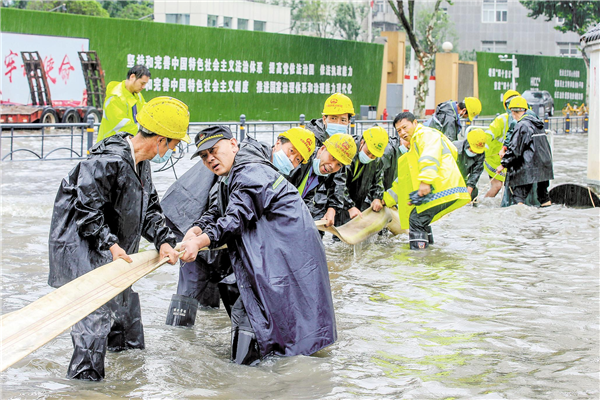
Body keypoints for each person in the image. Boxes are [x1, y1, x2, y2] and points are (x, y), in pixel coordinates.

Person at [48, 96, 189, 381]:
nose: (173, 151)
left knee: (126, 323)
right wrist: (110, 244)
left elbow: (149, 208)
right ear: (160, 140)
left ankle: (128, 383)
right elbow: (86, 209)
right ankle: (85, 388)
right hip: (84, 252)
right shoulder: (108, 160)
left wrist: (163, 240)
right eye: (174, 145)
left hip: (115, 254)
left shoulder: (141, 163)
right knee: (94, 325)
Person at [179, 126, 336, 365]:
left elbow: (235, 217)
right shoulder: (235, 172)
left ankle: (249, 378)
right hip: (273, 256)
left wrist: (200, 241)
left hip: (288, 256)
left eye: (214, 150)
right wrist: (198, 228)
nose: (210, 158)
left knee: (262, 318)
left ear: (233, 144)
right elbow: (218, 208)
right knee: (271, 321)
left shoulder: (251, 170)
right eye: (204, 155)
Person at [161, 126, 315, 326]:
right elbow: (225, 211)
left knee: (210, 298)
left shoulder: (252, 163)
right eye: (291, 151)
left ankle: (193, 334)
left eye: (298, 159)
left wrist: (200, 233)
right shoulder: (250, 166)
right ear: (278, 143)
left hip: (212, 235)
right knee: (190, 291)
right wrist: (198, 232)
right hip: (198, 229)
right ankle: (177, 338)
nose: (292, 160)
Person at [383, 112, 471, 249]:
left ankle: (419, 258)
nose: (402, 132)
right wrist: (386, 199)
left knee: (416, 219)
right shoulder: (412, 150)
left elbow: (430, 155)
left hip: (442, 186)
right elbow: (403, 181)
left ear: (415, 123)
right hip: (442, 186)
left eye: (405, 127)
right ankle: (429, 253)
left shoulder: (425, 135)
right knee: (420, 218)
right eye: (399, 130)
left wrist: (425, 181)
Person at [287, 133, 358, 227]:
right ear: (322, 149)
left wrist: (332, 209)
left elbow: (337, 184)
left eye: (339, 164)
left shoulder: (323, 169)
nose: (332, 166)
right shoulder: (300, 160)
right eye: (332, 157)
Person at [499, 96, 553, 206]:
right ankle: (545, 219)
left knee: (519, 196)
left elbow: (515, 149)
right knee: (543, 196)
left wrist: (503, 164)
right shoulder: (538, 123)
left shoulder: (521, 125)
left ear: (513, 112)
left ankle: (519, 222)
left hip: (529, 167)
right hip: (545, 165)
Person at [336, 126, 389, 226]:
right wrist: (349, 206)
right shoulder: (347, 150)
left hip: (357, 200)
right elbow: (339, 182)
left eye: (373, 155)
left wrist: (377, 197)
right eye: (368, 152)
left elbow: (378, 179)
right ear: (362, 142)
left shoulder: (377, 159)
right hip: (339, 201)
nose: (370, 157)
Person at [97, 65, 150, 142]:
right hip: (108, 145)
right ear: (132, 77)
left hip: (124, 144)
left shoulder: (137, 95)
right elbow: (122, 125)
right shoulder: (115, 97)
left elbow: (145, 111)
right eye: (142, 83)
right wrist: (145, 132)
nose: (143, 87)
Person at [483, 90, 520, 198]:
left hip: (509, 160)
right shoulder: (501, 120)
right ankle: (483, 206)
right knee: (497, 186)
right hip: (493, 160)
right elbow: (488, 136)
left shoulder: (523, 119)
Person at [453, 128, 486, 201]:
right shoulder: (454, 148)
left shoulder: (480, 153)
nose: (474, 153)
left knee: (474, 192)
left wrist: (469, 191)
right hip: (448, 179)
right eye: (473, 150)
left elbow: (476, 173)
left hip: (461, 178)